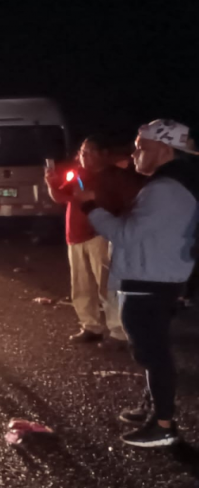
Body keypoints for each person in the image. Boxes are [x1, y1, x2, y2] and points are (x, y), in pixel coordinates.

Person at [81, 119, 199, 447]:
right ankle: (154, 409)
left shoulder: (165, 189)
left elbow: (126, 234)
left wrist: (90, 207)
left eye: (140, 147)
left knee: (153, 352)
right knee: (149, 350)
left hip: (151, 281)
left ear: (163, 150)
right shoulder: (172, 184)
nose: (133, 154)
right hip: (157, 277)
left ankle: (163, 425)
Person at [45, 136, 141, 346]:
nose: (83, 156)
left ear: (102, 154)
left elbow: (127, 204)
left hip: (100, 236)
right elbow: (61, 197)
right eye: (81, 152)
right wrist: (51, 184)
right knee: (81, 286)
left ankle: (118, 331)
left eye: (88, 152)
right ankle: (90, 326)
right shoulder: (78, 175)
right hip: (75, 237)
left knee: (107, 286)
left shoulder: (114, 176)